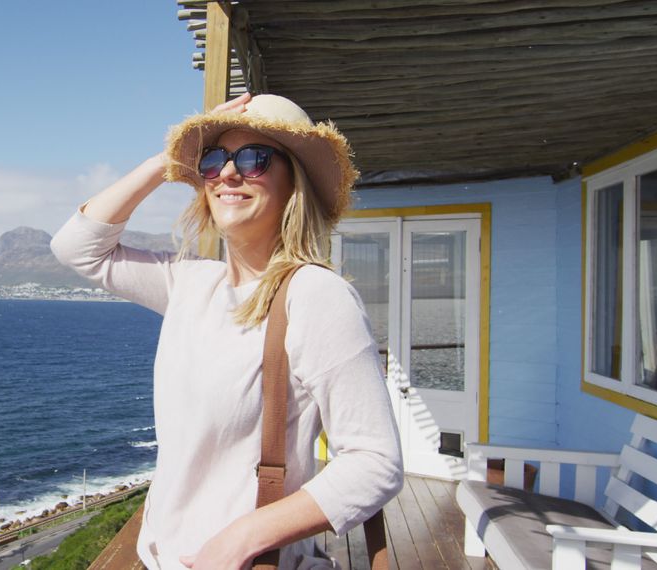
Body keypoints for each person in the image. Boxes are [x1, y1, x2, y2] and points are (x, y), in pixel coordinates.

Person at [50, 93, 403, 570]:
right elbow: (76, 248)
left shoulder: (316, 295)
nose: (228, 174)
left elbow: (375, 462)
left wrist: (242, 538)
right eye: (214, 161)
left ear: (293, 181)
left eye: (255, 158)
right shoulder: (192, 284)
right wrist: (168, 161)